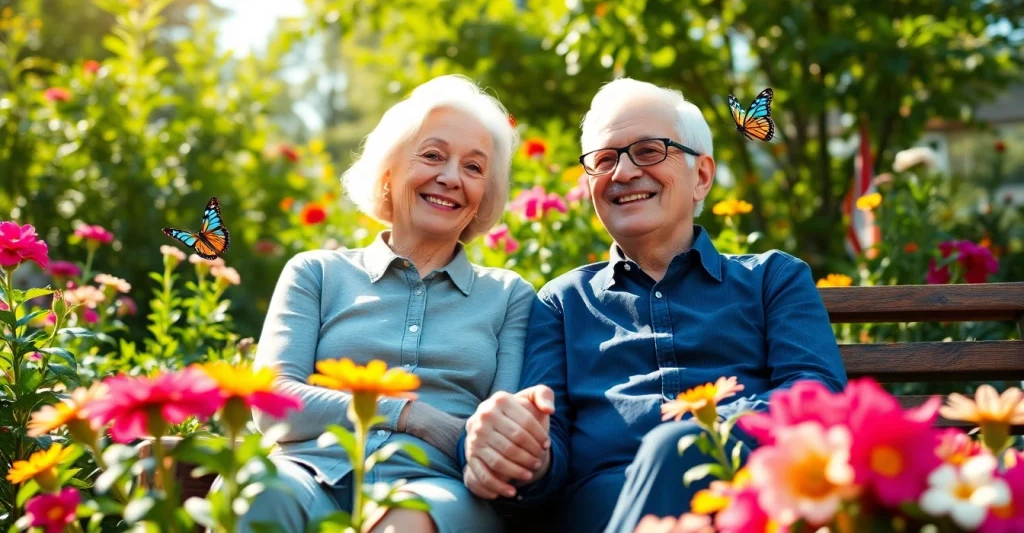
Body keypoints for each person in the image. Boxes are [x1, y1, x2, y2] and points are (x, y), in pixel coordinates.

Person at [460, 78, 846, 533]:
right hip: (604, 508)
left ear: (701, 176)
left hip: (741, 499)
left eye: (648, 151)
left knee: (677, 449)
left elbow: (813, 396)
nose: (622, 173)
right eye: (604, 160)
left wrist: (698, 433)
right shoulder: (562, 303)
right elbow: (549, 445)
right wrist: (524, 451)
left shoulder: (773, 279)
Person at [240, 75, 535, 533]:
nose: (451, 178)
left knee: (407, 524)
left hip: (437, 489)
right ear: (388, 171)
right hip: (309, 474)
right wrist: (409, 414)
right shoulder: (316, 273)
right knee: (261, 491)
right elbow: (272, 401)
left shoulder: (510, 296)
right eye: (432, 156)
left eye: (474, 168)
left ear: (484, 197)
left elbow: (500, 433)